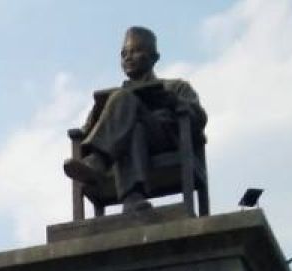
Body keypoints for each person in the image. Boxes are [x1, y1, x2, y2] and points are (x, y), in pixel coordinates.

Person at [63, 26, 207, 212]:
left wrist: (173, 101)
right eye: (124, 54)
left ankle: (99, 160)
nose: (128, 58)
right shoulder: (112, 99)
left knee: (124, 98)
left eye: (137, 51)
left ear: (154, 57)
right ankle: (132, 196)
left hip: (164, 140)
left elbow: (199, 118)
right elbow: (86, 130)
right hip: (130, 142)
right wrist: (96, 116)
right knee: (133, 127)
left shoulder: (175, 86)